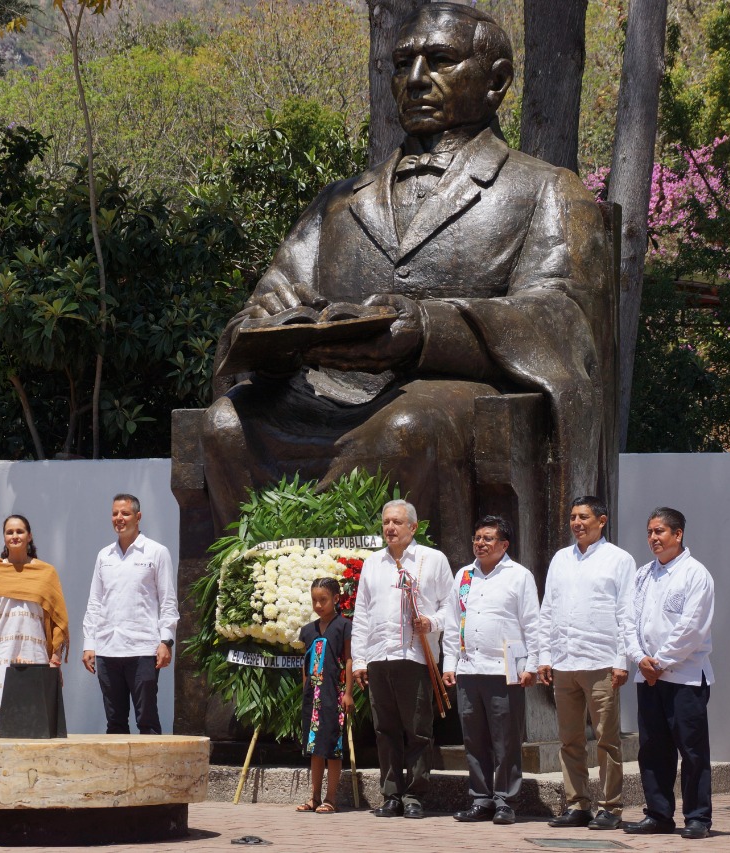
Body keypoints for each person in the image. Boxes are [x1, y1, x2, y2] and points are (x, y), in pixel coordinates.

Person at [202, 1, 616, 567]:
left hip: (450, 392)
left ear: (496, 82)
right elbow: (276, 294)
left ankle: (406, 600)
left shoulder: (544, 189)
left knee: (406, 426)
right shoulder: (340, 201)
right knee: (227, 422)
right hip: (326, 392)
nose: (416, 79)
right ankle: (259, 594)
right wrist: (267, 331)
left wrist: (427, 329)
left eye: (439, 60)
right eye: (402, 64)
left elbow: (563, 316)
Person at [536, 497, 636, 830]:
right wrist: (544, 656)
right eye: (573, 517)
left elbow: (626, 613)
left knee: (607, 739)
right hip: (564, 662)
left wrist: (621, 660)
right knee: (570, 740)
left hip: (601, 662)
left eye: (584, 517)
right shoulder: (561, 558)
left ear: (602, 520)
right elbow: (547, 610)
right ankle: (577, 804)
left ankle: (611, 807)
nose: (577, 522)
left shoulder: (619, 560)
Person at [350, 499, 452, 818]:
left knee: (418, 730)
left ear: (413, 527)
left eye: (397, 522)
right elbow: (362, 615)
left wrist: (431, 623)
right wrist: (360, 661)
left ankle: (416, 795)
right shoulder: (372, 563)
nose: (390, 528)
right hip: (380, 657)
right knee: (385, 729)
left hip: (415, 657)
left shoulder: (432, 560)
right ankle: (391, 794)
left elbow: (453, 608)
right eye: (386, 523)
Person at [624, 508, 716, 840]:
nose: (653, 538)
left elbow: (691, 629)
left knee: (692, 751)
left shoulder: (695, 574)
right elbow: (628, 621)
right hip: (648, 677)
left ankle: (698, 817)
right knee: (652, 749)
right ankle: (659, 814)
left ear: (678, 535)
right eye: (649, 532)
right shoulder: (643, 574)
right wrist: (639, 658)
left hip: (685, 677)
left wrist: (659, 662)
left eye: (660, 532)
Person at [441, 516, 538, 825]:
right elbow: (454, 624)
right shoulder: (464, 576)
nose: (480, 543)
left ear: (504, 544)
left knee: (506, 740)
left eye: (487, 539)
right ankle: (480, 799)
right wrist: (449, 664)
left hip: (505, 669)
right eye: (477, 538)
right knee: (474, 738)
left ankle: (505, 801)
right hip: (469, 669)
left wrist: (532, 664)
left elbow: (532, 623)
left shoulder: (519, 576)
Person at [81, 494, 178, 734]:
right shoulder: (104, 556)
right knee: (114, 723)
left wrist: (166, 641)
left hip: (143, 649)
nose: (119, 519)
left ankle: (155, 771)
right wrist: (89, 644)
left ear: (138, 516)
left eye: (124, 513)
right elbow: (95, 602)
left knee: (147, 721)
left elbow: (168, 601)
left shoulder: (156, 552)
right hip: (107, 649)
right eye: (115, 513)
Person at [0, 514, 70, 735]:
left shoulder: (46, 573)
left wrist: (55, 657)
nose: (15, 536)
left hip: (34, 651)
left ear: (29, 536)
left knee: (35, 719)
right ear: (4, 537)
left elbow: (58, 620)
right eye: (10, 532)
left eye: (19, 531)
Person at [296, 577, 354, 814]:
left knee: (332, 745)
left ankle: (331, 798)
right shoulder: (308, 630)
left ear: (336, 599)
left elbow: (349, 659)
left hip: (334, 693)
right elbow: (305, 662)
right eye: (314, 600)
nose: (318, 605)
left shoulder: (343, 626)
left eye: (323, 600)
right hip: (313, 695)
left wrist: (348, 693)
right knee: (314, 746)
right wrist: (305, 688)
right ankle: (314, 797)